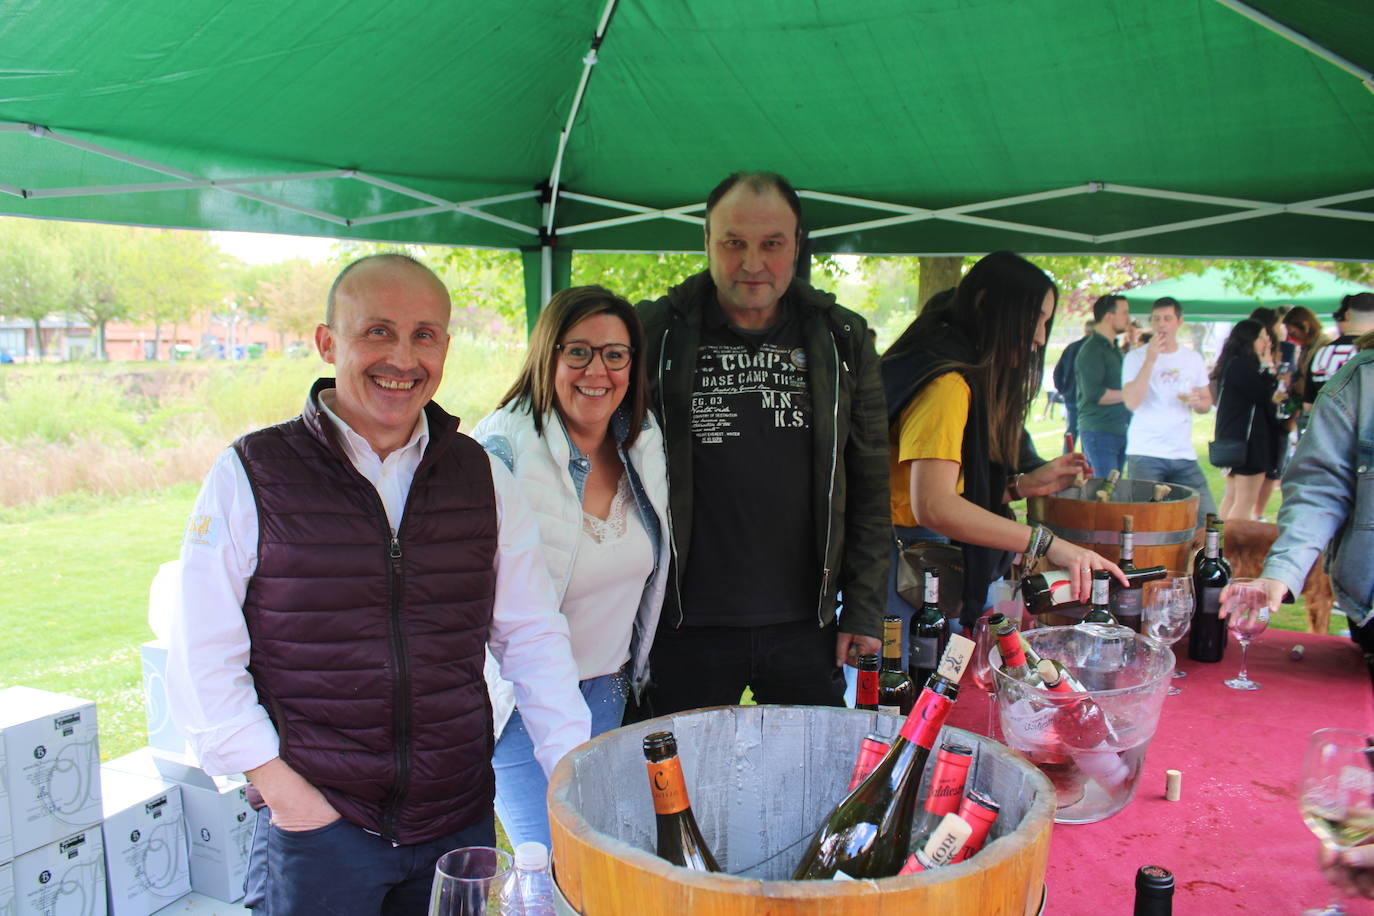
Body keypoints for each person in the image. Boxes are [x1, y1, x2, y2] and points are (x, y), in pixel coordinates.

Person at [167, 254, 591, 915]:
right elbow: (201, 654)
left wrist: (575, 770)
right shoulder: (253, 473)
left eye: (424, 334)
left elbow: (531, 635)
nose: (403, 356)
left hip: (457, 820)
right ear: (327, 341)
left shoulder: (481, 477)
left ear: (445, 346)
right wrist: (282, 791)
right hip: (322, 825)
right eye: (377, 332)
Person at [638, 170, 888, 714]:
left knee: (814, 790)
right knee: (676, 791)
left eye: (771, 244)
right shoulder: (652, 334)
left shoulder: (842, 339)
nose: (752, 263)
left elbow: (871, 484)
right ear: (706, 241)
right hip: (682, 624)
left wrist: (864, 610)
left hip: (806, 624)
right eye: (734, 243)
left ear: (796, 245)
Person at [470, 286, 669, 850]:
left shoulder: (644, 441)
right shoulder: (500, 450)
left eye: (615, 354)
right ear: (547, 356)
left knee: (595, 859)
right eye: (577, 352)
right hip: (521, 703)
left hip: (608, 688)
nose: (597, 371)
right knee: (549, 867)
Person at [881, 251, 1124, 629]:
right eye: (1035, 321)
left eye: (1046, 323)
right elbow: (933, 505)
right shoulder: (946, 384)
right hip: (905, 567)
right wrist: (1048, 544)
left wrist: (1022, 485)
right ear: (986, 306)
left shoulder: (952, 367)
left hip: (916, 557)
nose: (1040, 339)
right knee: (902, 683)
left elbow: (941, 492)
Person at [1121, 297, 1216, 526]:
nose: (1161, 324)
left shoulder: (1192, 358)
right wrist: (1151, 360)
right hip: (1146, 453)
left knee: (1210, 520)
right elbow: (1131, 402)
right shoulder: (1135, 357)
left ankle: (1202, 562)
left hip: (1183, 454)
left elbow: (1206, 402)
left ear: (1179, 322)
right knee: (1144, 524)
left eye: (1167, 318)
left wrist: (1196, 402)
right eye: (1156, 319)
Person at [1212, 319, 1279, 520]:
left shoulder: (1232, 365)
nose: (1267, 343)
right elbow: (1264, 395)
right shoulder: (1243, 366)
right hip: (1249, 443)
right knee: (1245, 501)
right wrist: (1268, 367)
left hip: (1235, 441)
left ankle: (1217, 548)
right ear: (1250, 340)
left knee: (1232, 497)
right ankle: (1232, 549)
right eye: (1262, 337)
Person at [1074, 294, 1133, 477]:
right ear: (1109, 316)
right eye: (1124, 313)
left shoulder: (1113, 348)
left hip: (1118, 429)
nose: (1128, 319)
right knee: (1105, 490)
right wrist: (1129, 393)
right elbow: (1095, 394)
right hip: (1099, 431)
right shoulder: (1092, 350)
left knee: (1113, 489)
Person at [1305, 292, 1374, 409]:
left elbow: (1308, 406)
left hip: (1326, 424)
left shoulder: (1321, 354)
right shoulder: (1369, 353)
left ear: (1347, 315)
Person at [1052, 319, 1094, 450]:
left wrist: (1062, 390)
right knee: (1087, 431)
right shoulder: (1095, 349)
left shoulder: (1071, 347)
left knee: (1071, 431)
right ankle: (1086, 462)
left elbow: (1057, 371)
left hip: (1071, 396)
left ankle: (1067, 459)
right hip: (1089, 398)